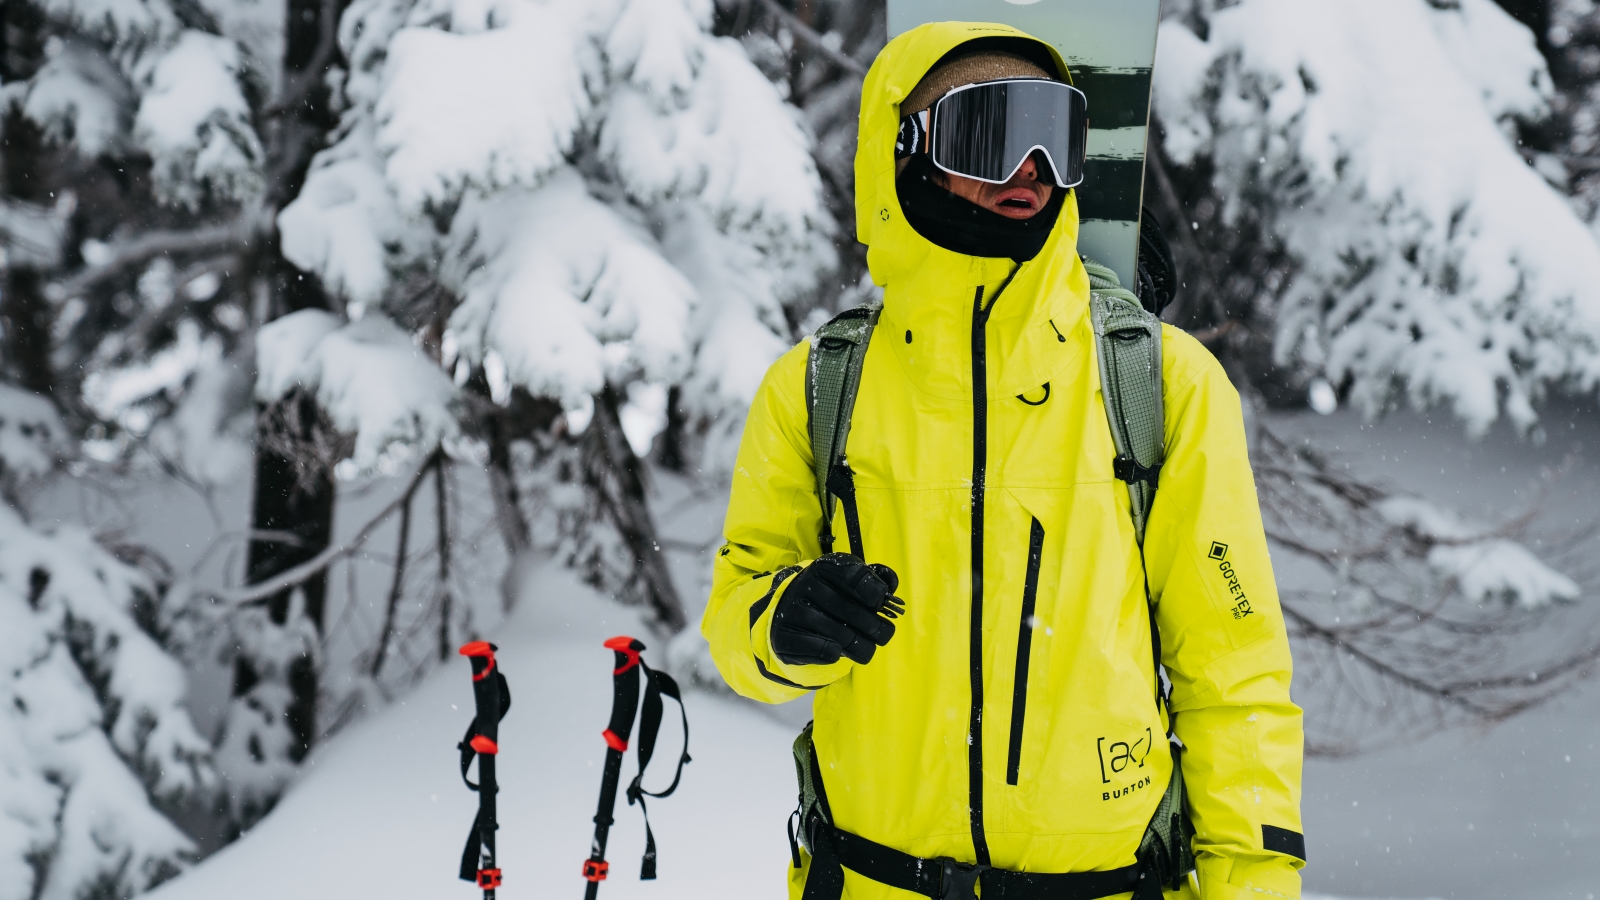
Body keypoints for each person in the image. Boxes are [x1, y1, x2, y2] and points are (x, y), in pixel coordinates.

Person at [702, 20, 1304, 900]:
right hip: (872, 882)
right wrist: (783, 624)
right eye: (988, 134)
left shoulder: (1161, 383)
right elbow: (735, 624)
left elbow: (1236, 673)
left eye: (1054, 137)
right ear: (904, 152)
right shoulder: (818, 388)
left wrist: (1253, 885)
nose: (1029, 168)